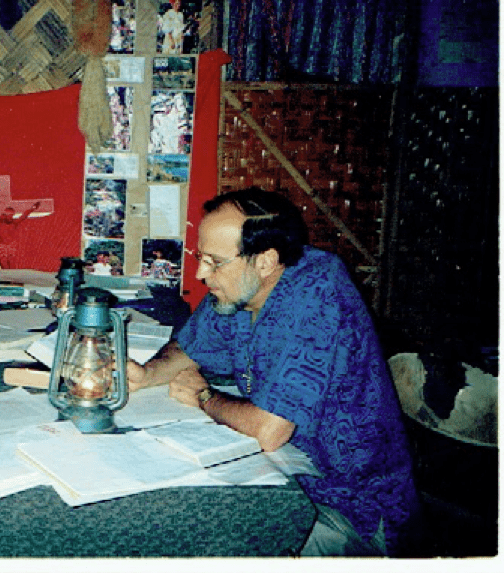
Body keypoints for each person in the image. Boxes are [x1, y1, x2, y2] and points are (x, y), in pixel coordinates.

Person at [127, 187, 421, 557]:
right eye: (200, 257)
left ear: (264, 261)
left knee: (203, 544)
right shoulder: (241, 288)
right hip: (290, 474)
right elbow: (190, 345)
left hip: (351, 508)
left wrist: (205, 397)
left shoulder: (318, 295)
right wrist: (147, 373)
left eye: (214, 262)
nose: (201, 273)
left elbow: (269, 432)